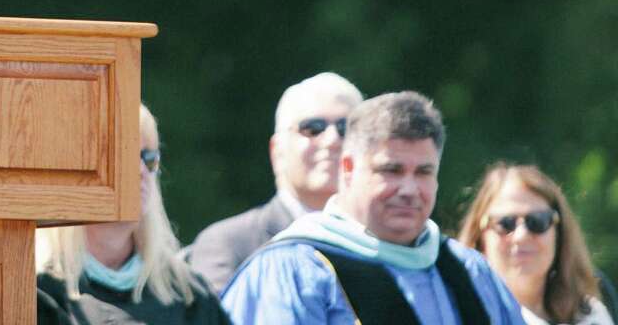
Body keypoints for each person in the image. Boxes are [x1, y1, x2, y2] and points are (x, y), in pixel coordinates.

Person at [222, 91, 525, 324]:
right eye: (391, 170)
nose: (409, 190)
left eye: (423, 172)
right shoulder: (293, 272)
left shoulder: (470, 273)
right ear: (349, 168)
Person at [37, 104, 231, 325]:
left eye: (149, 158)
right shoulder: (38, 293)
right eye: (124, 154)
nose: (140, 170)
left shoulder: (190, 297)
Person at [189, 72, 363, 292]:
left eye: (345, 128)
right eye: (313, 128)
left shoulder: (390, 242)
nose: (331, 141)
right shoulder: (229, 244)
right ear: (277, 151)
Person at [457, 163, 615, 325]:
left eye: (537, 221)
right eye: (505, 223)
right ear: (480, 237)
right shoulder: (456, 315)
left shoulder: (593, 314)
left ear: (559, 233)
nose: (521, 236)